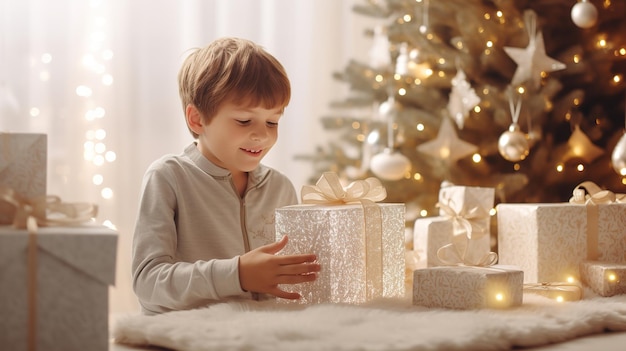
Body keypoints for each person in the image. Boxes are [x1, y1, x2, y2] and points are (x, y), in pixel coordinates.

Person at [131, 37, 321, 315]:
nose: (263, 135)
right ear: (197, 119)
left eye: (273, 121)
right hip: (190, 336)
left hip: (269, 337)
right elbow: (148, 285)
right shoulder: (168, 177)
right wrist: (238, 274)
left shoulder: (280, 187)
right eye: (244, 120)